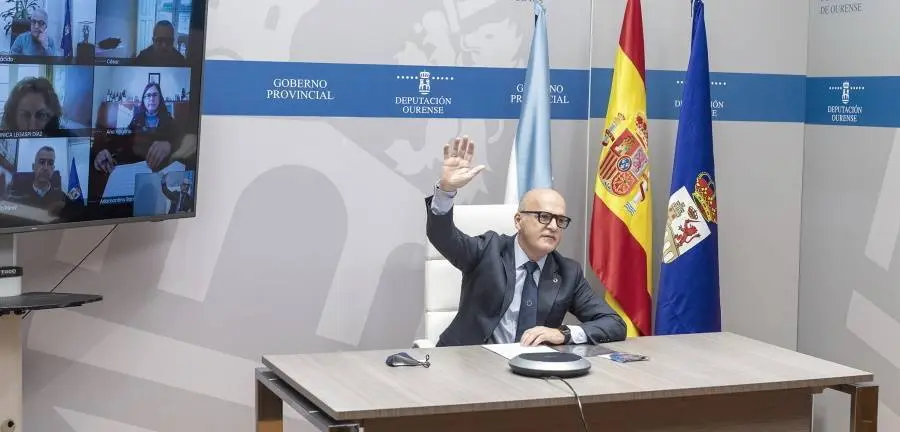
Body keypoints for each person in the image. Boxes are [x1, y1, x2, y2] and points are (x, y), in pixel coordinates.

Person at [426, 136, 627, 347]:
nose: (552, 226)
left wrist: (565, 334)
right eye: (543, 217)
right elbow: (443, 237)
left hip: (530, 370)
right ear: (518, 220)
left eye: (560, 220)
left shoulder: (568, 273)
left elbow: (614, 324)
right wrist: (446, 191)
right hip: (468, 362)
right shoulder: (487, 250)